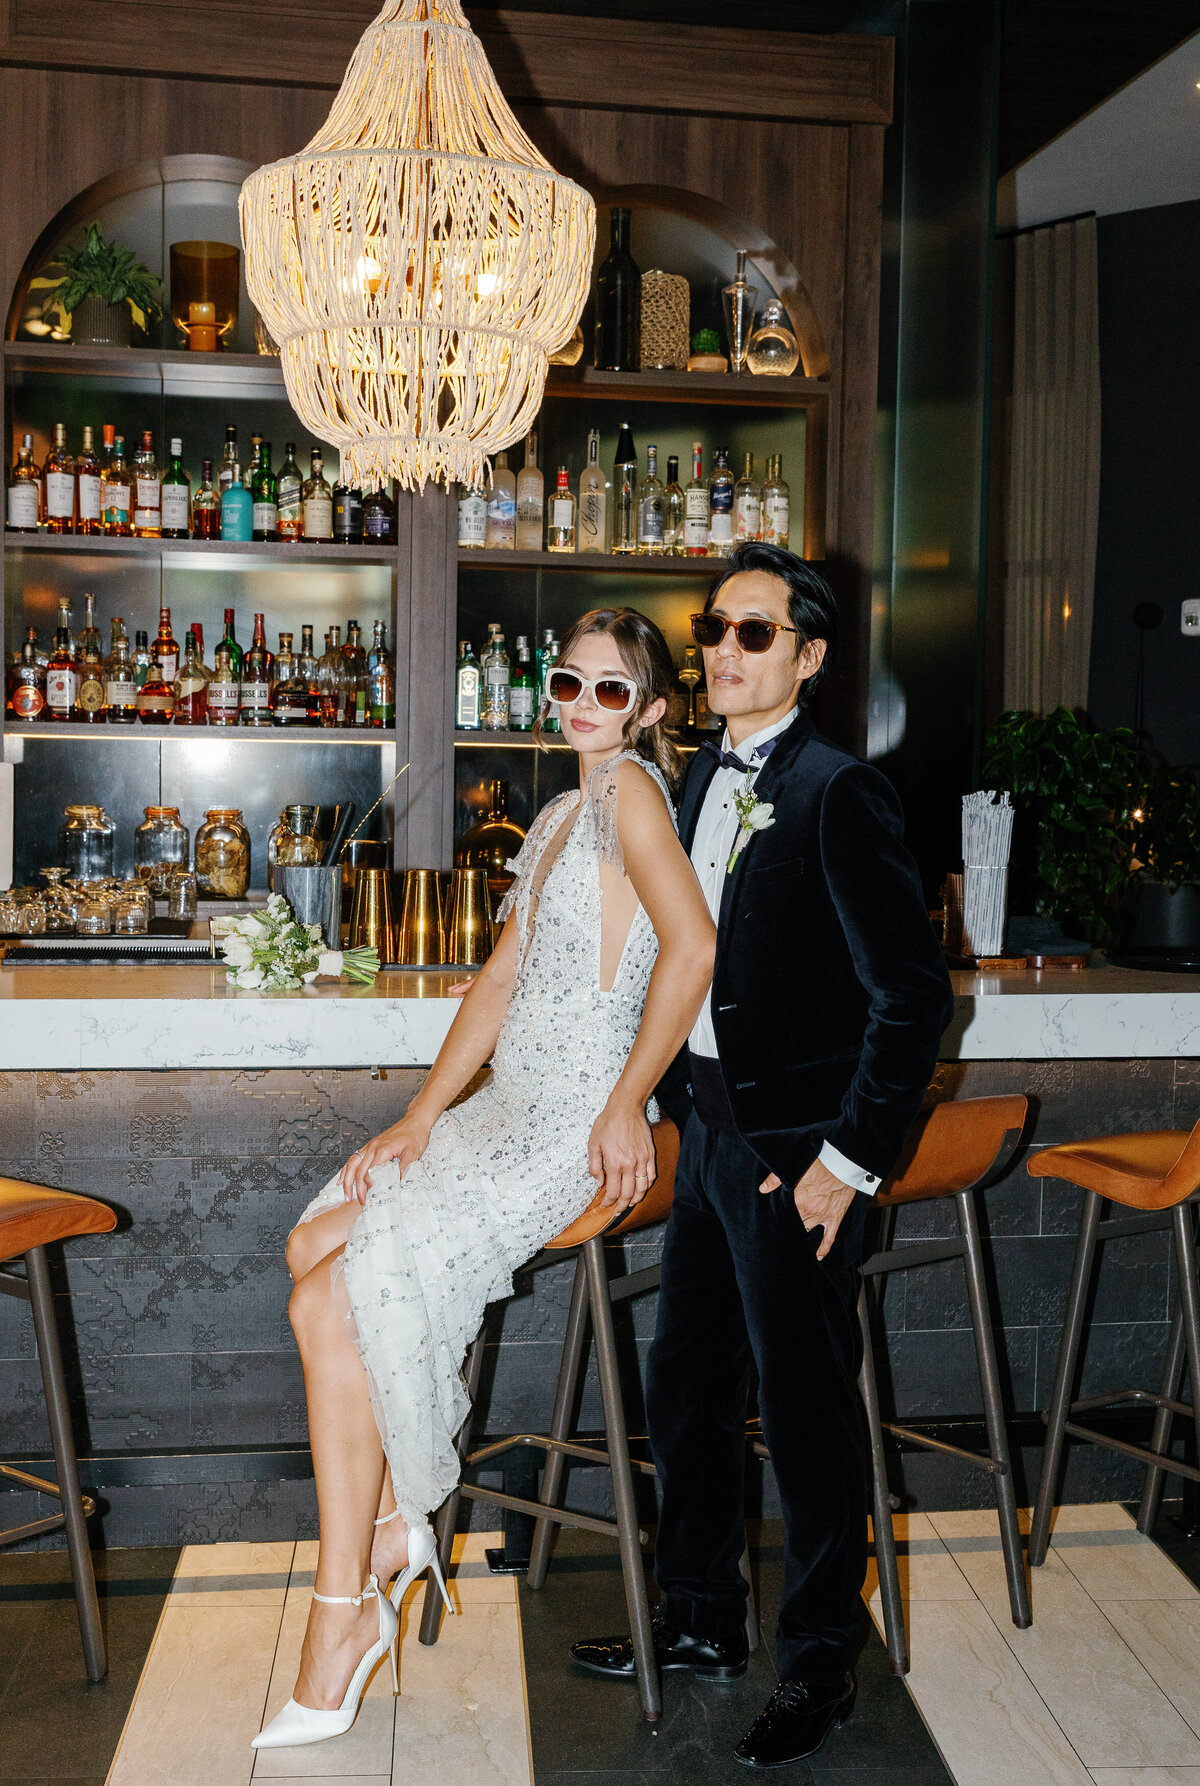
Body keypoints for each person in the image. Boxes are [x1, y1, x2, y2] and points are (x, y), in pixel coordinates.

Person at [252, 607, 716, 1751]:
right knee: (310, 1250)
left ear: (653, 709)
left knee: (327, 1295)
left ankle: (348, 1603)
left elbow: (695, 948)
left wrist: (623, 1103)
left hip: (569, 1128)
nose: (580, 705)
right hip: (503, 1110)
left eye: (612, 691)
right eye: (568, 681)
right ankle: (388, 1542)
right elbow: (501, 982)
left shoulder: (637, 797)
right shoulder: (566, 808)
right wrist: (419, 1115)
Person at [571, 544, 955, 1768]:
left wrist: (850, 1159)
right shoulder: (684, 782)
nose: (723, 650)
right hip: (711, 1139)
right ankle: (695, 1619)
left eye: (752, 632)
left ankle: (820, 1663)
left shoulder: (842, 792)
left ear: (810, 655)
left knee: (805, 1416)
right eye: (714, 629)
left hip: (801, 1160)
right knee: (687, 1389)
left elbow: (911, 998)